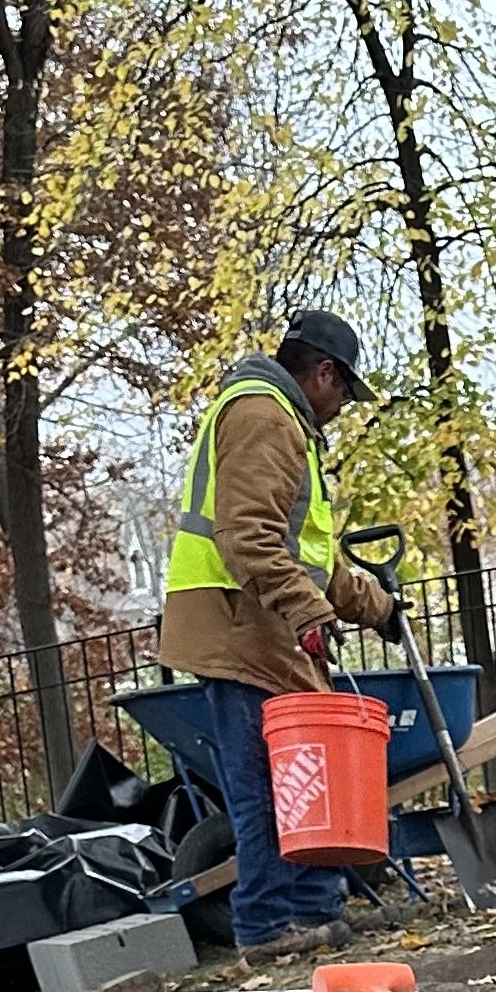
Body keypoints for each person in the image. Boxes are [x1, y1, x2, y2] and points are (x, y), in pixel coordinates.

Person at [159, 311, 403, 957]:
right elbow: (248, 535)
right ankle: (266, 926)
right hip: (238, 625)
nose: (343, 406)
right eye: (345, 389)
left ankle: (316, 910)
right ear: (323, 373)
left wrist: (378, 608)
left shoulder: (282, 422)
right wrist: (307, 612)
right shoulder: (263, 417)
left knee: (309, 777)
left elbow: (311, 559)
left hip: (258, 623)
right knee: (271, 786)